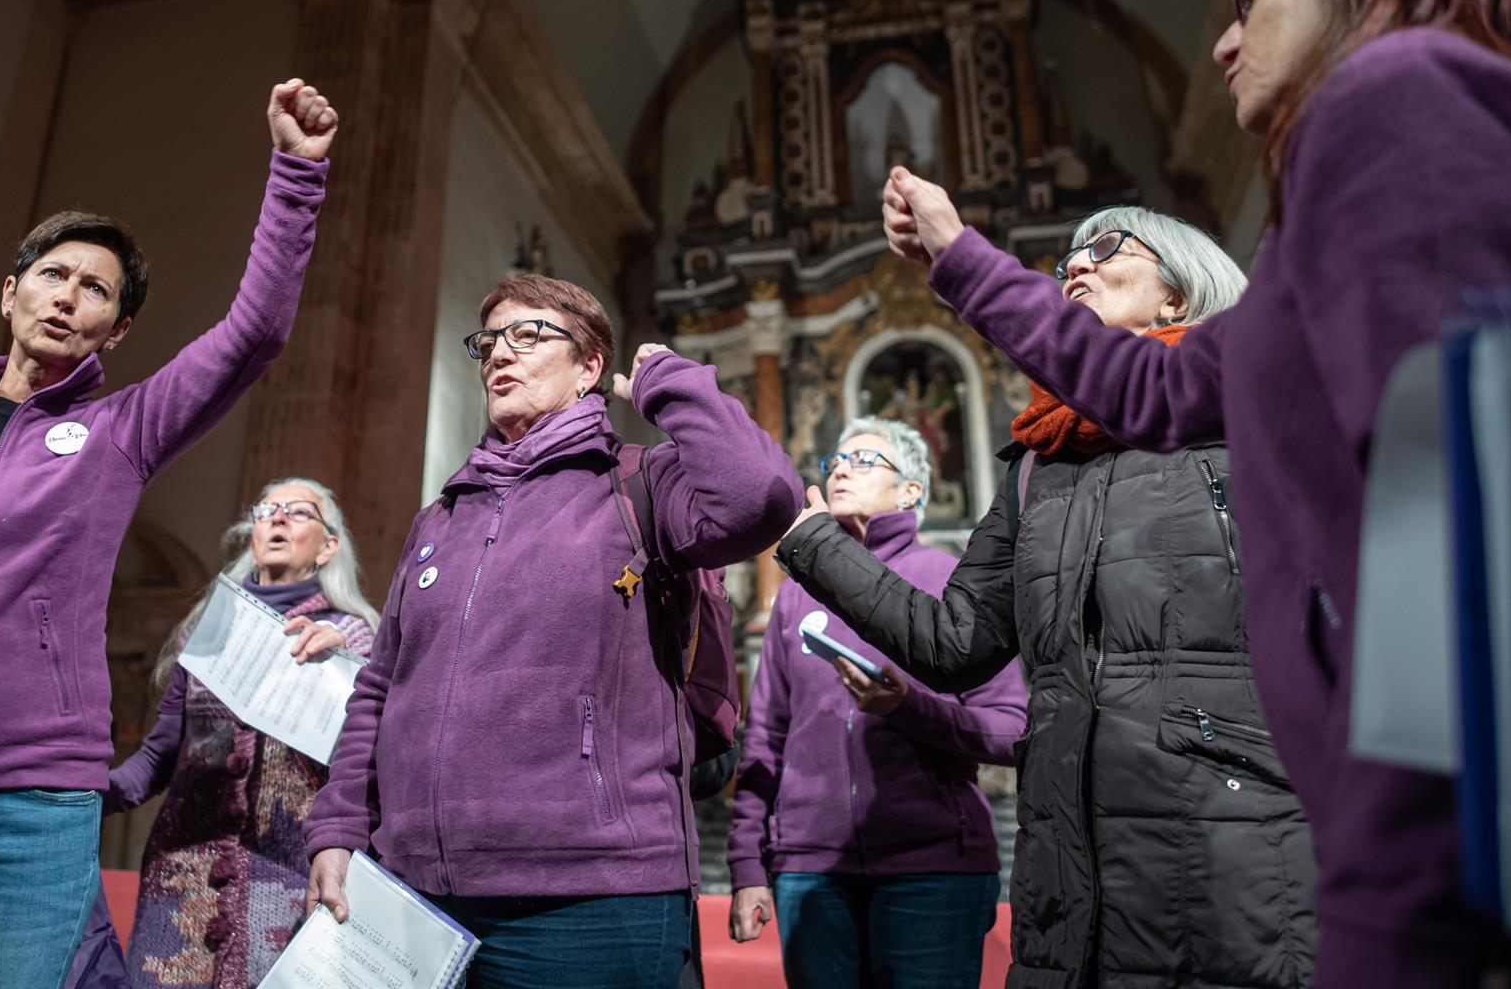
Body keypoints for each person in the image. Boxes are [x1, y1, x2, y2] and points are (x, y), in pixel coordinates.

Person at [873, 0, 1511, 989]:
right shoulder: (1320, 207)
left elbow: (1469, 537)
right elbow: (1157, 391)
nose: (1224, 42)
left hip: (1426, 861)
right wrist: (959, 256)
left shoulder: (1401, 95)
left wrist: (1404, 901)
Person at [0, 79, 340, 989]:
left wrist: (297, 175)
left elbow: (254, 334)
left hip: (28, 805)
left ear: (115, 331)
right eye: (53, 275)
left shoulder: (122, 431)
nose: (69, 297)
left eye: (95, 291)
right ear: (9, 293)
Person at [777, 207, 1318, 986]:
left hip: (1235, 843)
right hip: (1068, 862)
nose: (1076, 266)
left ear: (1177, 294)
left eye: (1104, 249)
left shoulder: (1247, 410)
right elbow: (954, 643)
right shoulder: (1039, 466)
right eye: (1067, 257)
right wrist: (811, 537)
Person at [303, 274, 801, 988]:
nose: (501, 354)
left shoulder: (640, 484)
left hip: (591, 897)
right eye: (490, 342)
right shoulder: (443, 514)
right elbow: (381, 686)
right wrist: (340, 826)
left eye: (530, 335)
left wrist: (669, 382)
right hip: (418, 891)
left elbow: (763, 496)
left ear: (590, 368)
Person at [728, 417, 1026, 989]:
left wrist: (907, 707)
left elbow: (1011, 730)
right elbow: (764, 737)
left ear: (912, 491)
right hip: (810, 869)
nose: (841, 469)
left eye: (864, 461)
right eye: (835, 461)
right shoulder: (796, 595)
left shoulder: (950, 584)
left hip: (932, 867)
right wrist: (747, 864)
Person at [109, 479, 378, 985]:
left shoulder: (356, 634)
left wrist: (345, 654)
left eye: (298, 513)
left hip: (289, 879)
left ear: (328, 547)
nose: (277, 519)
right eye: (267, 510)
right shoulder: (207, 630)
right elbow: (161, 755)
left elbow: (366, 766)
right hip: (180, 876)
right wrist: (88, 790)